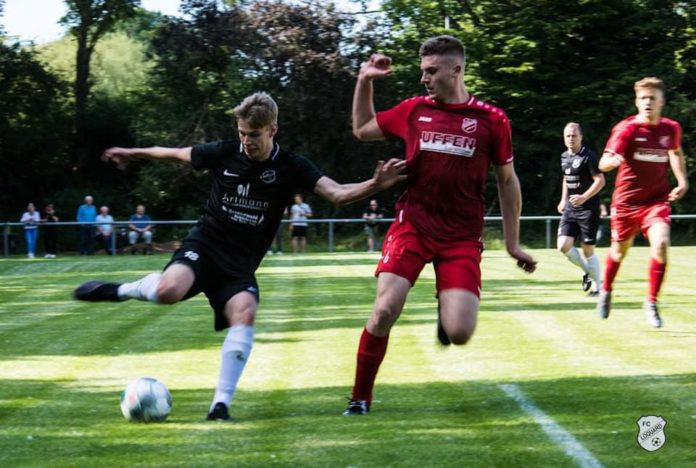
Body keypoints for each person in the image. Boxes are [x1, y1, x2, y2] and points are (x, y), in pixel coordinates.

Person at [72, 92, 406, 421]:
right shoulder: (224, 153)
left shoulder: (291, 166)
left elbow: (336, 194)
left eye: (254, 135)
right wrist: (132, 152)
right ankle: (121, 290)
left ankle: (220, 406)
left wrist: (376, 185)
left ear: (272, 129)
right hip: (205, 245)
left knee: (245, 312)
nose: (246, 141)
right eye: (242, 133)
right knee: (167, 292)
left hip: (239, 264)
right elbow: (174, 154)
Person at [343, 35, 537, 416]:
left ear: (456, 70)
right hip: (412, 227)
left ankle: (446, 308)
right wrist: (364, 80)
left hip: (461, 237)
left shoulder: (491, 120)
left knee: (461, 332)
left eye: (431, 71)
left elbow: (508, 181)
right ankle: (360, 398)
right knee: (385, 310)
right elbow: (362, 128)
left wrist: (513, 244)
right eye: (422, 71)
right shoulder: (414, 110)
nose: (424, 79)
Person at [597, 77, 688, 328]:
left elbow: (675, 152)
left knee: (661, 244)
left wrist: (682, 181)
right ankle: (606, 290)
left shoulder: (671, 129)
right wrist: (610, 163)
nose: (647, 102)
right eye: (643, 98)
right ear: (637, 102)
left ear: (662, 101)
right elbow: (604, 161)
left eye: (652, 98)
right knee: (618, 252)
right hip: (626, 203)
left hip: (656, 201)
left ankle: (651, 302)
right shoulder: (626, 130)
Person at [556, 122, 605, 296]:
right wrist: (563, 200)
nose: (571, 139)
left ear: (581, 137)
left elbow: (600, 180)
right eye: (568, 136)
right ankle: (589, 273)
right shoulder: (564, 156)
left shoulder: (588, 157)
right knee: (563, 246)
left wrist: (584, 197)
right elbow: (566, 178)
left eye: (574, 135)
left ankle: (598, 288)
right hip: (570, 208)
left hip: (588, 209)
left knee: (587, 249)